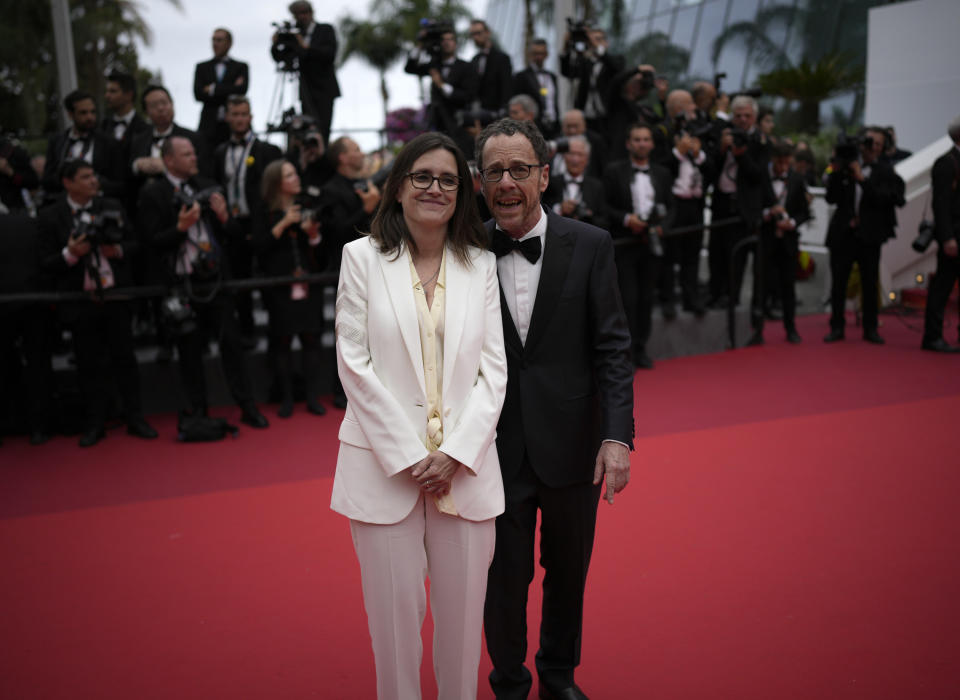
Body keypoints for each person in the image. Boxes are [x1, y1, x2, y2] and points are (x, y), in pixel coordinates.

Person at [331, 131, 507, 699]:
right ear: (399, 186)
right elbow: (353, 362)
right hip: (383, 472)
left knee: (461, 640)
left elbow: (493, 372)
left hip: (467, 471)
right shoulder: (360, 257)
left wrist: (456, 453)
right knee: (394, 637)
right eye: (423, 177)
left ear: (463, 192)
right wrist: (410, 455)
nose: (436, 188)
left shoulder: (480, 264)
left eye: (449, 180)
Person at [478, 118, 634, 700]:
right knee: (504, 578)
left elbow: (613, 347)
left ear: (544, 174)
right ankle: (509, 683)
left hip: (574, 444)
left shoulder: (590, 244)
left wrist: (617, 437)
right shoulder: (464, 251)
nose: (508, 182)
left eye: (520, 169)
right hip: (493, 448)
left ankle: (558, 676)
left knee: (568, 573)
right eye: (495, 171)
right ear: (480, 182)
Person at [138, 136, 269, 428]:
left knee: (232, 345)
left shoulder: (207, 186)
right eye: (187, 154)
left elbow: (236, 237)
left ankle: (247, 406)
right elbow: (151, 243)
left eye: (194, 153)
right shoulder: (153, 194)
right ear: (169, 160)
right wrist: (180, 228)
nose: (194, 158)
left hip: (216, 281)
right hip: (181, 285)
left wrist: (224, 218)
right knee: (190, 351)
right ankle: (198, 412)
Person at [37, 160, 157, 446]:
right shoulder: (51, 216)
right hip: (80, 300)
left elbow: (135, 243)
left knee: (125, 359)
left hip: (115, 296)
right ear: (68, 183)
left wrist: (115, 249)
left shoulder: (111, 205)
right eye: (86, 177)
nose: (93, 181)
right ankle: (94, 423)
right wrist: (71, 253)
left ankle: (135, 417)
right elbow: (45, 262)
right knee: (88, 364)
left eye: (94, 175)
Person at [254, 160, 327, 416]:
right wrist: (284, 223)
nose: (296, 178)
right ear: (277, 183)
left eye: (295, 173)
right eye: (290, 175)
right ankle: (286, 398)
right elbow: (258, 249)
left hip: (308, 282)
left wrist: (313, 234)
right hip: (279, 285)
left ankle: (311, 396)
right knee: (282, 340)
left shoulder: (307, 206)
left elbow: (321, 251)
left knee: (311, 338)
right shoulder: (264, 212)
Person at [823, 127, 905, 344]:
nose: (872, 148)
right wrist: (838, 169)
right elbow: (831, 198)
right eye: (868, 143)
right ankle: (836, 326)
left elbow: (889, 199)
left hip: (870, 236)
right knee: (838, 283)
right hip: (843, 234)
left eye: (877, 144)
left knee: (870, 283)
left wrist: (862, 179)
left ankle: (870, 328)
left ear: (882, 147)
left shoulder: (886, 171)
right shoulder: (844, 168)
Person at [213, 95, 283, 341]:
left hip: (260, 222)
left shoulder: (266, 150)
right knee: (239, 278)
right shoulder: (220, 151)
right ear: (227, 117)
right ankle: (247, 331)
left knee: (267, 274)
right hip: (233, 223)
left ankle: (277, 329)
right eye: (235, 114)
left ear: (251, 117)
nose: (240, 119)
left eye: (244, 114)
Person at [605, 122, 674, 369]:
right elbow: (606, 206)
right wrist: (626, 219)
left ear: (652, 144)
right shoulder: (614, 171)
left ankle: (642, 348)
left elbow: (671, 207)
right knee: (627, 300)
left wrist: (662, 226)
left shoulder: (663, 173)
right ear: (628, 144)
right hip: (625, 243)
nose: (641, 143)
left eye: (645, 139)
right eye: (637, 139)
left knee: (646, 299)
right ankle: (626, 352)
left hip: (652, 244)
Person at [754, 143, 810, 344]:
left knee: (788, 286)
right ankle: (756, 330)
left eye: (787, 163)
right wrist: (768, 213)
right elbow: (752, 206)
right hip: (766, 239)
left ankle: (791, 328)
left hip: (788, 241)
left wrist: (792, 223)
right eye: (780, 163)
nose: (783, 167)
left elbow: (804, 212)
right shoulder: (761, 176)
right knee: (760, 285)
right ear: (773, 159)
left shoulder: (796, 179)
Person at [271, 1, 340, 146]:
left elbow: (329, 55)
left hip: (324, 89)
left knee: (323, 129)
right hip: (305, 89)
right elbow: (281, 57)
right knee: (307, 129)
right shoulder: (295, 34)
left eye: (303, 12)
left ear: (311, 12)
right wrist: (276, 44)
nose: (301, 17)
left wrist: (306, 46)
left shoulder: (325, 29)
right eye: (297, 14)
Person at [404, 24, 478, 156]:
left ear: (455, 43)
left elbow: (468, 95)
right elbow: (410, 68)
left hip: (457, 123)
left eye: (450, 39)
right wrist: (420, 45)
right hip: (435, 121)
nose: (447, 43)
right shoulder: (434, 64)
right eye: (443, 40)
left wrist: (442, 85)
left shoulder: (466, 67)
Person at [921, 115, 960, 353]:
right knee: (942, 287)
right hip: (954, 236)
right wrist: (947, 237)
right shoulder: (946, 163)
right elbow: (940, 204)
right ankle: (932, 336)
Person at [42, 90, 123, 203]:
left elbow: (120, 183)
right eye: (83, 113)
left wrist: (95, 183)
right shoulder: (57, 142)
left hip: (98, 203)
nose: (90, 117)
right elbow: (47, 179)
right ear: (70, 114)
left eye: (92, 112)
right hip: (63, 205)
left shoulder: (109, 143)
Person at [560, 26, 624, 136]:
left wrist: (596, 46)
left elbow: (616, 68)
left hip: (608, 117)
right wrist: (566, 46)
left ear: (606, 42)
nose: (594, 43)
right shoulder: (585, 63)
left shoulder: (616, 59)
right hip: (587, 118)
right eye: (591, 40)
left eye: (599, 39)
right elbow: (567, 72)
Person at [193, 27, 249, 150]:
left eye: (219, 40)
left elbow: (241, 91)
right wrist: (231, 88)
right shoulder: (202, 67)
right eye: (213, 40)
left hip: (233, 128)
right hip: (208, 126)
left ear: (229, 43)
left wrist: (213, 89)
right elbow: (198, 94)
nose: (215, 44)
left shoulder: (240, 66)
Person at [543, 135, 608, 230]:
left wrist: (589, 217)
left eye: (580, 154)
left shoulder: (596, 187)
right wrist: (559, 209)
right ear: (564, 156)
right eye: (571, 153)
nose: (575, 159)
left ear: (587, 159)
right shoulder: (550, 182)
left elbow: (605, 222)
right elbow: (539, 211)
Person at [511, 39, 560, 138]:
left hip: (553, 126)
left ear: (547, 54)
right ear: (530, 54)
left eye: (542, 53)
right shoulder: (521, 76)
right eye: (536, 53)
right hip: (534, 126)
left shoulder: (552, 76)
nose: (539, 57)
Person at [469, 19, 513, 114]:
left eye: (478, 33)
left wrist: (503, 109)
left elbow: (506, 87)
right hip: (478, 113)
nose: (475, 37)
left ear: (488, 33)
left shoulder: (502, 58)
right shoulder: (474, 60)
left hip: (497, 113)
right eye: (472, 34)